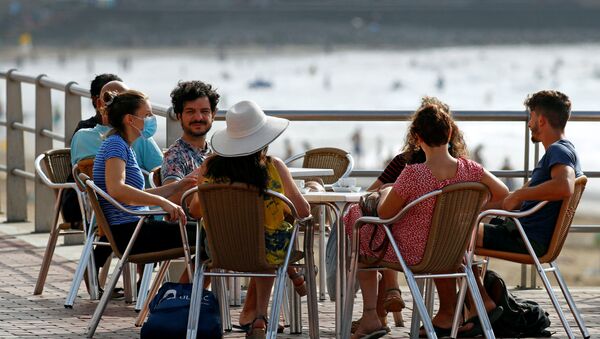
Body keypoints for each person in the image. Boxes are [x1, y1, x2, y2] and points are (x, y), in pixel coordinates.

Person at [344, 101, 508, 339]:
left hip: (417, 254)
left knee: (357, 221)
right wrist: (470, 208)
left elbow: (386, 214)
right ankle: (388, 306)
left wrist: (387, 192)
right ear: (450, 133)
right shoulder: (470, 169)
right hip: (452, 250)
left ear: (417, 137)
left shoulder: (413, 173)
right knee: (363, 227)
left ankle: (371, 314)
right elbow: (503, 194)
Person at [189, 100, 311, 339]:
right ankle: (260, 316)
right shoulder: (273, 166)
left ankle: (263, 309)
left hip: (218, 250)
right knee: (270, 238)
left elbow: (194, 212)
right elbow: (303, 211)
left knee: (263, 239)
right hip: (265, 252)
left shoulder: (210, 167)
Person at [92, 89, 197, 273]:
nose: (151, 119)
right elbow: (117, 190)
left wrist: (177, 186)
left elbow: (132, 195)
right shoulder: (116, 145)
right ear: (130, 119)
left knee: (206, 236)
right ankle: (190, 294)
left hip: (134, 228)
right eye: (147, 115)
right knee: (208, 237)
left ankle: (188, 292)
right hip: (132, 234)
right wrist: (162, 202)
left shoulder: (122, 145)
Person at [161, 81, 219, 199]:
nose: (198, 117)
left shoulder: (214, 152)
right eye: (190, 112)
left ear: (213, 115)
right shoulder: (175, 156)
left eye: (204, 111)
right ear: (179, 116)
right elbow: (172, 197)